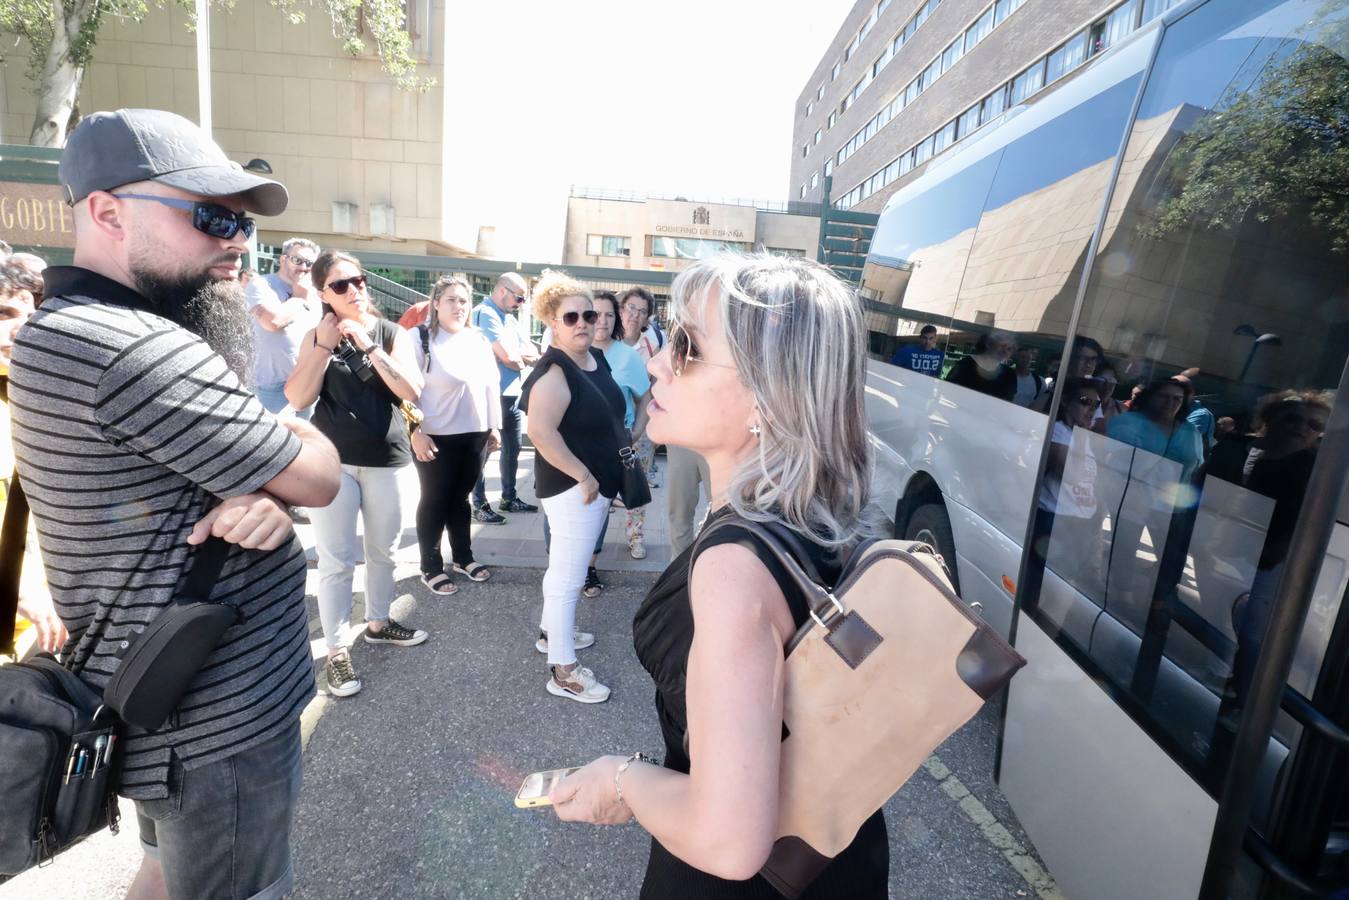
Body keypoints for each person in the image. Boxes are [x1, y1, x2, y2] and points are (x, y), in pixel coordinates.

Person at [8, 108, 341, 900]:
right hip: (214, 715)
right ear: (107, 212)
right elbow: (320, 476)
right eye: (209, 214)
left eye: (239, 220)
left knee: (162, 872)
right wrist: (278, 470)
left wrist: (262, 489)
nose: (235, 239)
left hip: (162, 700)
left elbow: (190, 481)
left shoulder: (69, 326)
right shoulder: (129, 345)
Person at [550, 254, 888, 896]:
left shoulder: (734, 565)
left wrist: (620, 780)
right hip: (835, 853)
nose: (656, 362)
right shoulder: (820, 519)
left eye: (687, 347)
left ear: (769, 394)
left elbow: (726, 841)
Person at [286, 249, 428, 699]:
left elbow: (411, 389)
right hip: (334, 461)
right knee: (336, 559)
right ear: (323, 292)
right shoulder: (317, 335)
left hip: (388, 457)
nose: (356, 290)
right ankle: (336, 651)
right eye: (342, 285)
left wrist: (366, 343)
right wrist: (326, 346)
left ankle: (379, 622)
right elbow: (297, 395)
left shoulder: (390, 332)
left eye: (360, 280)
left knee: (384, 550)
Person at [520, 271, 625, 704]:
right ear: (553, 322)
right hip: (572, 487)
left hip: (590, 485)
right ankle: (563, 671)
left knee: (563, 572)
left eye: (590, 314)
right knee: (568, 578)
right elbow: (540, 432)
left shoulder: (591, 359)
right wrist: (584, 475)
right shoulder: (554, 371)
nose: (584, 322)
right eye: (572, 317)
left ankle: (552, 635)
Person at [409, 274, 501, 595]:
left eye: (463, 300)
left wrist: (494, 426)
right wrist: (414, 432)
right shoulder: (418, 338)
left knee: (460, 498)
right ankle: (430, 566)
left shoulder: (477, 340)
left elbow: (491, 384)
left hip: (474, 434)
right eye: (451, 299)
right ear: (436, 303)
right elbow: (403, 392)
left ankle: (463, 557)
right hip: (434, 435)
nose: (458, 306)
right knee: (435, 500)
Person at [471, 272, 541, 523]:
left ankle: (509, 498)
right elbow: (509, 357)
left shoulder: (509, 320)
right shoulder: (485, 313)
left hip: (511, 394)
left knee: (513, 447)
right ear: (502, 290)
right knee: (485, 450)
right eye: (519, 298)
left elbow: (529, 351)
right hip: (491, 394)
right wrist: (518, 359)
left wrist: (518, 358)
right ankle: (478, 504)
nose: (521, 304)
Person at [245, 237, 322, 416]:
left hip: (308, 382)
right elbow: (272, 322)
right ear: (282, 259)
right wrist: (299, 298)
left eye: (309, 263)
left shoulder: (315, 294)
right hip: (272, 387)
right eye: (297, 260)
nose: (303, 267)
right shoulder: (262, 285)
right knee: (272, 442)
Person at [946, 331, 1017, 401]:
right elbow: (948, 390)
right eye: (1002, 346)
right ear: (989, 344)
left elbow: (1008, 403)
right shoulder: (966, 364)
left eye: (1009, 349)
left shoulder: (1010, 374)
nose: (1005, 351)